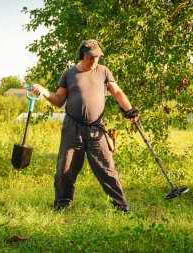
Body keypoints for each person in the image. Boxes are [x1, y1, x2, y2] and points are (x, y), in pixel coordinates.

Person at [30, 39, 139, 212]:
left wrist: (130, 110)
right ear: (82, 55)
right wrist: (43, 91)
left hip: (97, 129)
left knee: (107, 169)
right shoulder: (69, 74)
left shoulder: (103, 71)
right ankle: (62, 205)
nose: (95, 60)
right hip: (73, 128)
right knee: (64, 168)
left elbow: (117, 92)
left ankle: (121, 206)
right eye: (91, 57)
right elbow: (59, 101)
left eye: (98, 56)